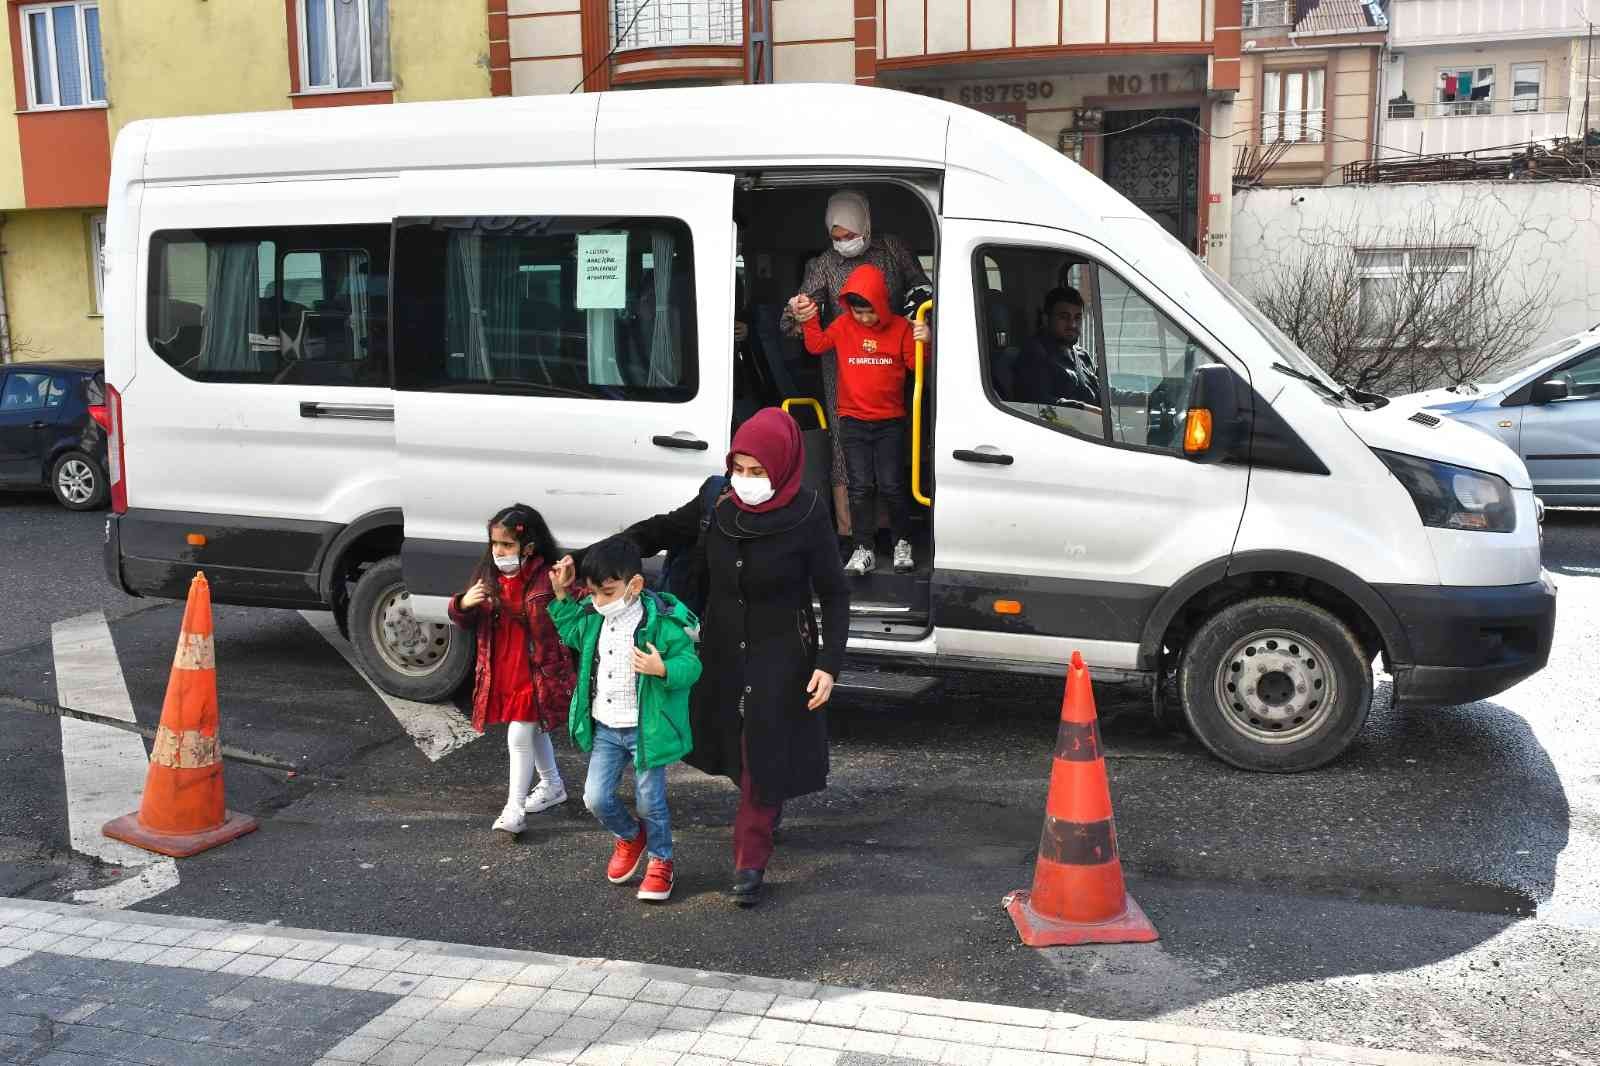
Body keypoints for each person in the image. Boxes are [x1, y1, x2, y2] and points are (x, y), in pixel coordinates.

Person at [547, 536, 701, 903]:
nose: (598, 601)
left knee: (651, 801)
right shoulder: (593, 618)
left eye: (607, 592)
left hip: (647, 728)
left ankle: (661, 862)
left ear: (635, 585)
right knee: (595, 798)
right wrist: (562, 596)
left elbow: (691, 664)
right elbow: (570, 632)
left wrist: (662, 667)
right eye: (592, 593)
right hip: (605, 726)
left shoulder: (662, 620)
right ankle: (631, 836)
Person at [780, 190, 933, 538]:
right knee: (844, 451)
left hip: (893, 360)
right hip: (844, 369)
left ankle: (893, 532)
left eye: (849, 235)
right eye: (836, 238)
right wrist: (798, 310)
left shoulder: (893, 249)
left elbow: (922, 288)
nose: (843, 243)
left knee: (893, 450)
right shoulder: (823, 265)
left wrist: (918, 318)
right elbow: (794, 324)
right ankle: (853, 536)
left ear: (865, 224)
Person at [795, 264, 931, 576]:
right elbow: (817, 345)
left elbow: (916, 364)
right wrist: (810, 319)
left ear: (882, 305)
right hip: (853, 422)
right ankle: (863, 548)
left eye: (870, 312)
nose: (864, 319)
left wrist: (925, 339)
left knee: (892, 486)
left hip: (891, 423)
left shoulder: (900, 328)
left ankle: (902, 543)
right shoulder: (844, 325)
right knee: (858, 488)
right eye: (858, 312)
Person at [447, 504, 574, 838]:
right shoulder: (487, 578)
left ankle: (514, 809)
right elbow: (465, 620)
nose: (498, 552)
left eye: (507, 545)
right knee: (536, 731)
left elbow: (569, 617)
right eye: (494, 544)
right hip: (504, 668)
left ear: (528, 547)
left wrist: (564, 594)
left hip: (537, 672)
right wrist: (462, 604)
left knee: (519, 735)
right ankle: (552, 784)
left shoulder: (549, 578)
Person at [1015, 286, 1101, 410]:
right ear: (1046, 319)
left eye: (1077, 317)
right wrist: (1085, 409)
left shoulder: (1082, 355)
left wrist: (1138, 398)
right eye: (1064, 317)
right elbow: (1037, 404)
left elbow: (1103, 391)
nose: (1072, 324)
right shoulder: (1034, 355)